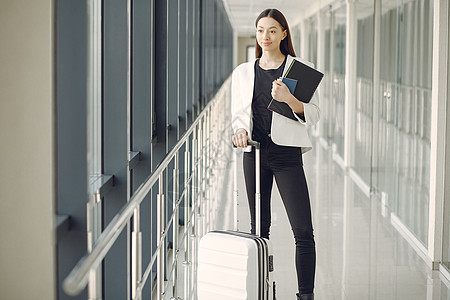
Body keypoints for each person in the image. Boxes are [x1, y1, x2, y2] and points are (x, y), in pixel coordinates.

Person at [231, 8, 320, 300]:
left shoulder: (300, 69)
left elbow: (315, 114)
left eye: (271, 30)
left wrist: (290, 99)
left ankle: (305, 295)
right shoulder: (243, 72)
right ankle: (260, 290)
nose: (265, 36)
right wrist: (239, 132)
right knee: (260, 230)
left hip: (286, 156)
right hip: (254, 155)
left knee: (303, 231)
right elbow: (237, 117)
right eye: (260, 30)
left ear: (284, 33)